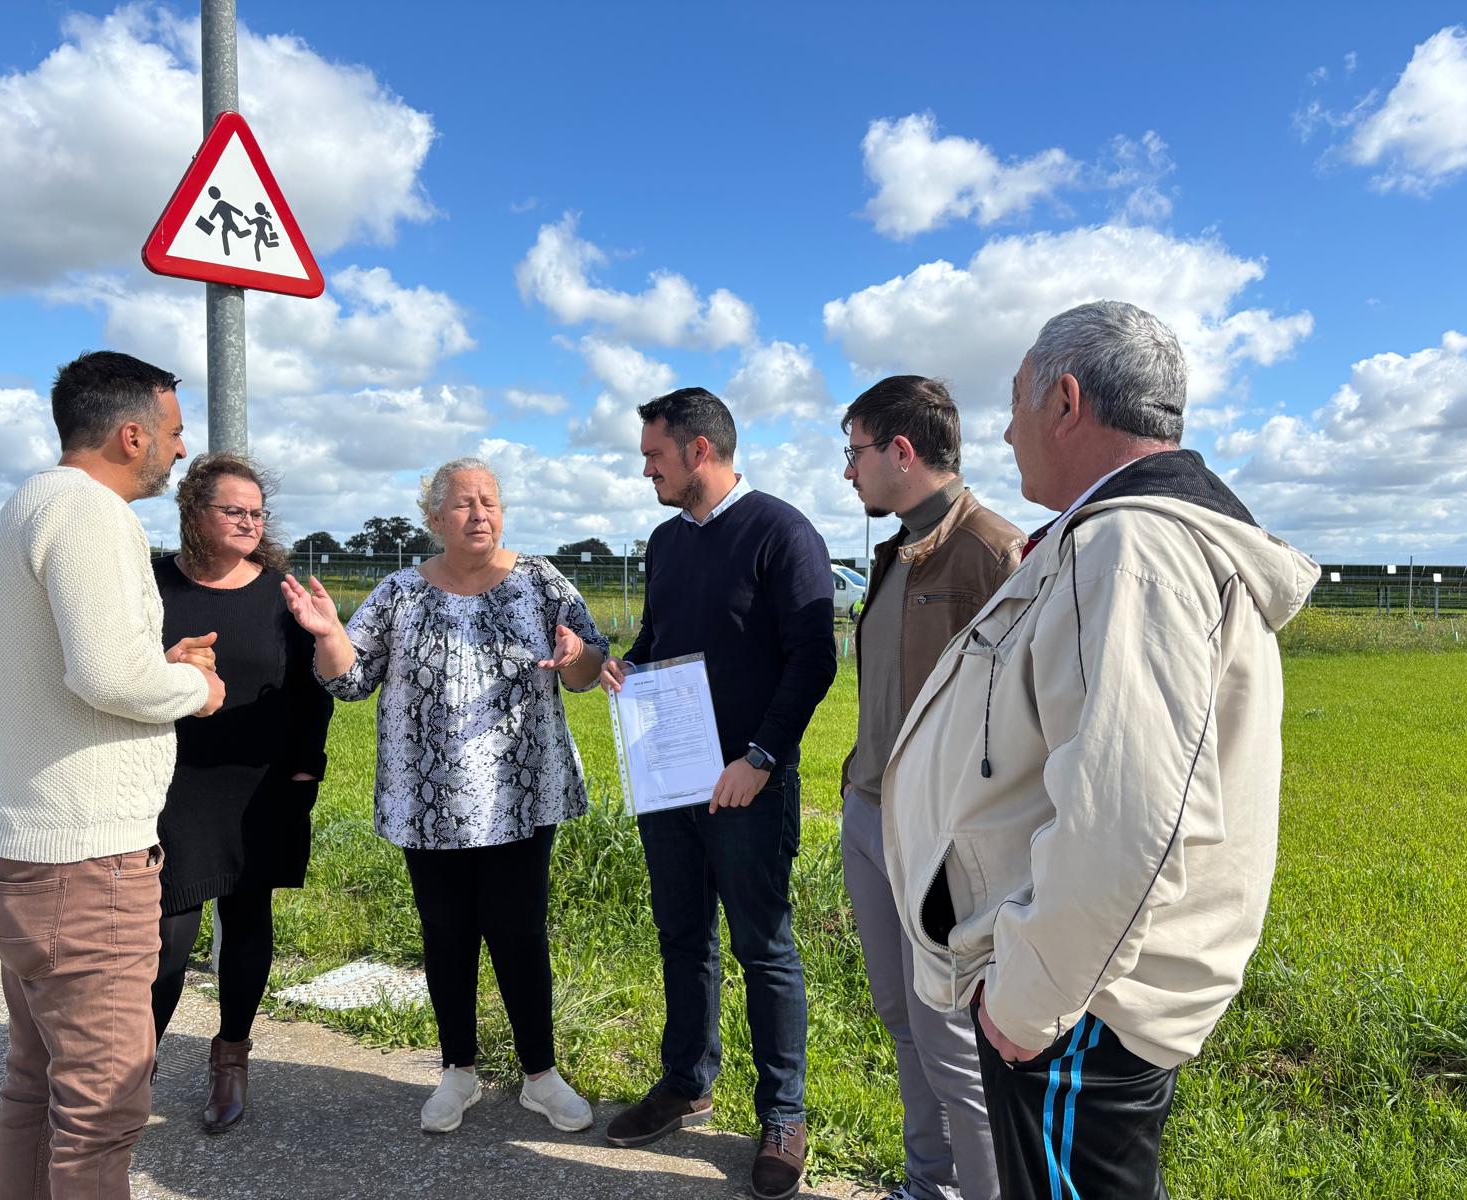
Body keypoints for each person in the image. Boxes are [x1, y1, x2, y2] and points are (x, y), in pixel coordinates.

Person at [880, 302, 1320, 1198]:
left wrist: (1027, 1000)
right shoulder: (1122, 537)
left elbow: (1128, 815)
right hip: (1082, 986)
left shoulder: (1130, 548)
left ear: (1067, 401)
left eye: (1014, 403)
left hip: (1079, 1006)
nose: (1003, 432)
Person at [282, 457, 606, 1136]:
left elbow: (584, 672)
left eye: (489, 501)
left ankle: (540, 1076)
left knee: (520, 934)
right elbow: (349, 681)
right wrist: (328, 634)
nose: (479, 513)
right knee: (447, 936)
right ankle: (458, 1069)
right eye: (462, 504)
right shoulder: (399, 591)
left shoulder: (542, 581)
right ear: (433, 518)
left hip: (521, 793)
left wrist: (579, 652)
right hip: (427, 798)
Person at [0, 350, 224, 1199]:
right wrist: (194, 686)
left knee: (34, 1085)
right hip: (85, 864)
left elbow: (79, 667)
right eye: (175, 433)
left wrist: (155, 666)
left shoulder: (25, 507)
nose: (180, 451)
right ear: (130, 433)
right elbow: (109, 679)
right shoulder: (94, 515)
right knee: (103, 1112)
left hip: (20, 845)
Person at [601, 388, 837, 1200]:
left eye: (654, 456)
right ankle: (686, 1081)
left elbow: (813, 658)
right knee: (681, 936)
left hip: (749, 785)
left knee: (763, 948)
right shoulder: (666, 543)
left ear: (700, 451)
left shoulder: (781, 531)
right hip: (672, 782)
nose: (646, 470)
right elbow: (661, 639)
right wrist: (626, 666)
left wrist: (761, 757)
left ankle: (783, 1113)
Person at [839, 376, 1019, 1200]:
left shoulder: (992, 552)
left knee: (957, 1050)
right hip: (871, 817)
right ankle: (927, 1186)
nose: (850, 472)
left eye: (856, 452)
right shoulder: (893, 552)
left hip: (946, 839)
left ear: (900, 452)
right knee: (904, 1023)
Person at [149, 453, 334, 1133]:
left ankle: (231, 1056)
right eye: (235, 510)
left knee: (249, 919)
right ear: (196, 513)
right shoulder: (151, 583)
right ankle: (137, 1065)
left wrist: (306, 770)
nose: (251, 522)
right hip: (170, 784)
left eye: (257, 512)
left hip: (262, 785)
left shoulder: (281, 591)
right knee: (170, 935)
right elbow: (118, 668)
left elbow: (311, 688)